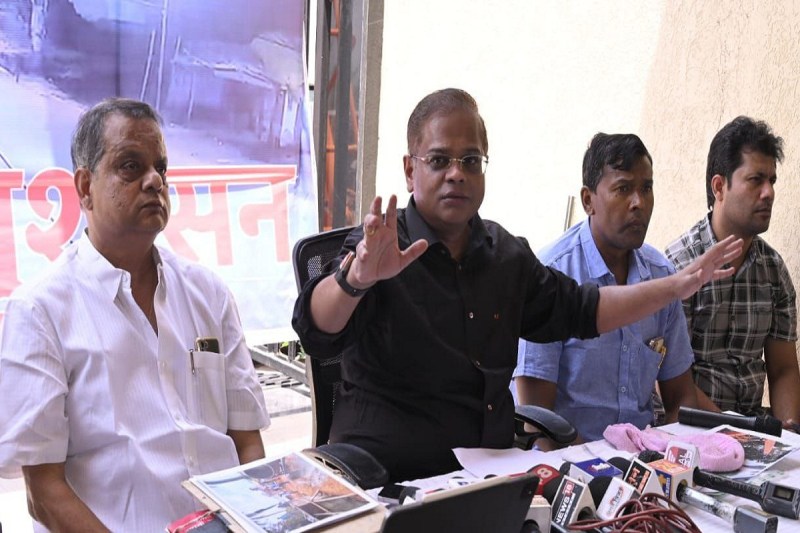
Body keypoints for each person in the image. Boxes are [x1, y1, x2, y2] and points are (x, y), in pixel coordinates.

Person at [292, 88, 741, 482]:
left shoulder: (504, 255)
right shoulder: (379, 247)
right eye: (439, 160)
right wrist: (356, 279)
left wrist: (674, 286)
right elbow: (315, 328)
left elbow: (585, 309)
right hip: (390, 479)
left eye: (471, 161)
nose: (456, 173)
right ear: (411, 170)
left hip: (488, 479)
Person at [0, 98, 269, 532]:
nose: (154, 180)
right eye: (130, 166)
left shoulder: (209, 293)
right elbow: (44, 494)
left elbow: (247, 443)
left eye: (160, 167)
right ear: (85, 187)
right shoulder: (39, 311)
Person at [514, 133, 697, 445]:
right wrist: (598, 467)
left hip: (643, 459)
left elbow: (681, 396)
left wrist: (668, 455)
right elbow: (538, 418)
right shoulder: (552, 274)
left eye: (647, 188)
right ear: (588, 201)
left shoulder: (661, 276)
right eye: (623, 189)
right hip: (566, 460)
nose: (639, 203)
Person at [665, 116, 800, 426]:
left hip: (754, 429)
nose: (768, 192)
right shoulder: (680, 265)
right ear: (719, 187)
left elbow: (783, 369)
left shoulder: (774, 270)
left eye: (772, 181)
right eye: (755, 180)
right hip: (689, 429)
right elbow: (669, 380)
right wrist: (736, 432)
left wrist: (789, 432)